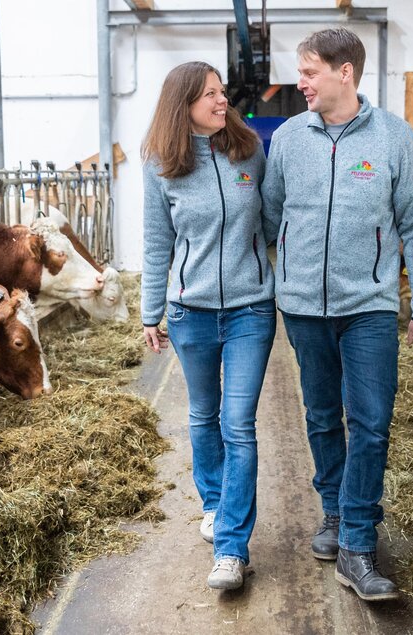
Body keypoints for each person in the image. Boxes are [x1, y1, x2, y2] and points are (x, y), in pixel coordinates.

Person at [261, 27, 413, 602]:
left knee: (370, 421)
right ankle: (334, 512)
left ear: (346, 73)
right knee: (319, 416)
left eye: (309, 72)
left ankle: (358, 545)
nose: (300, 82)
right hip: (304, 309)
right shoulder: (287, 138)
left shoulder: (394, 137)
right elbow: (268, 218)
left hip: (369, 306)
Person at [140, 61, 276, 592]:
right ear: (183, 106)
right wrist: (151, 312)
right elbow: (157, 244)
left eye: (223, 93)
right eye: (211, 95)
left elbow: (269, 222)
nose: (223, 102)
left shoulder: (248, 151)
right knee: (203, 413)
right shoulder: (160, 165)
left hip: (250, 310)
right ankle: (215, 503)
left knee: (238, 424)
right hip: (189, 313)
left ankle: (231, 548)